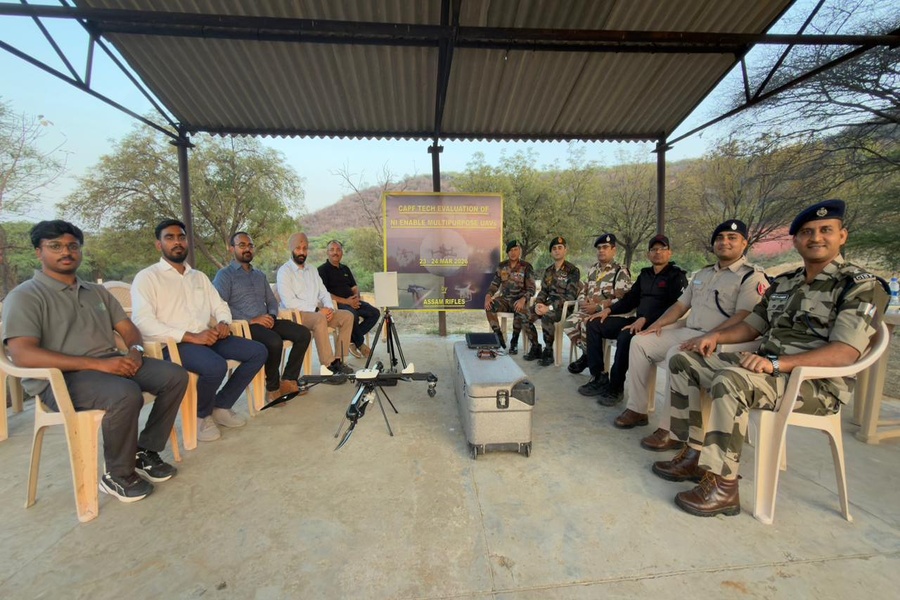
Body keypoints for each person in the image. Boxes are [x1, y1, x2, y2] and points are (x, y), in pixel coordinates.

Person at [652, 200, 879, 517]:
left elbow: (845, 353)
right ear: (796, 241)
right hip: (765, 370)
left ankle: (723, 485)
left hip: (814, 385)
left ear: (843, 236)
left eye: (826, 230)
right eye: (806, 232)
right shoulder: (785, 283)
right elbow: (751, 326)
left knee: (730, 381)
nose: (816, 238)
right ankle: (695, 452)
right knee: (683, 362)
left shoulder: (859, 286)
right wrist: (715, 337)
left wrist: (776, 364)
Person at [2, 220, 188, 502]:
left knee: (175, 376)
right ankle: (117, 474)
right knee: (125, 394)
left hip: (111, 364)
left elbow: (127, 329)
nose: (66, 252)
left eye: (72, 246)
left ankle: (144, 450)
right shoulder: (26, 296)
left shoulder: (96, 292)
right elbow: (23, 354)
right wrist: (99, 365)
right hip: (61, 378)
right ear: (39, 252)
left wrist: (135, 351)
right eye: (55, 246)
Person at [612, 220, 769, 439]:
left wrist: (709, 336)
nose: (725, 242)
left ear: (744, 243)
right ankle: (638, 409)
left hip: (722, 340)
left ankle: (670, 428)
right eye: (720, 238)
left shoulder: (751, 277)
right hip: (690, 331)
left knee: (677, 354)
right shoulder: (702, 274)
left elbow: (745, 317)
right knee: (640, 342)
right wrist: (656, 325)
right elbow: (680, 306)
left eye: (732, 238)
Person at [132, 219, 267, 443]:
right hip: (174, 344)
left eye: (181, 238)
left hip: (207, 337)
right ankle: (201, 416)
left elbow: (220, 305)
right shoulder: (147, 278)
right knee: (215, 366)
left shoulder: (198, 277)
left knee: (258, 351)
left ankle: (221, 405)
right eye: (170, 237)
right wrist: (191, 337)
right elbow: (143, 322)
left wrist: (223, 323)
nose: (177, 242)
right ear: (159, 245)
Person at [578, 235, 687, 403]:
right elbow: (630, 300)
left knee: (625, 336)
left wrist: (646, 319)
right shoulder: (645, 274)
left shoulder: (676, 276)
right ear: (648, 255)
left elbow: (674, 307)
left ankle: (616, 387)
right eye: (653, 249)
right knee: (594, 323)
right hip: (637, 321)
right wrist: (607, 310)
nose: (657, 252)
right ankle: (598, 377)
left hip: (659, 326)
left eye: (662, 249)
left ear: (669, 253)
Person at [213, 232, 313, 402]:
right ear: (232, 249)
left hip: (267, 321)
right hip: (245, 326)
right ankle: (272, 388)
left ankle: (288, 379)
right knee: (273, 341)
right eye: (242, 245)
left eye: (250, 246)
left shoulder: (259, 275)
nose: (247, 249)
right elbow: (219, 306)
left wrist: (272, 316)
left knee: (303, 333)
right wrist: (252, 320)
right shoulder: (225, 276)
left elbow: (272, 301)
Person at [276, 232, 355, 376]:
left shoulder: (312, 270)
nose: (302, 252)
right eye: (298, 248)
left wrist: (329, 308)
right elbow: (289, 302)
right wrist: (317, 310)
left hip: (318, 313)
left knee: (347, 316)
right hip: (296, 315)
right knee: (319, 318)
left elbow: (324, 293)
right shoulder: (284, 272)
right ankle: (328, 365)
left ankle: (339, 360)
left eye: (305, 248)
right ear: (291, 249)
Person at [565, 233, 631, 374]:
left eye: (605, 247)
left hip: (607, 314)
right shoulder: (593, 269)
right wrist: (582, 300)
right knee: (569, 323)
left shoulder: (620, 271)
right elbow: (585, 289)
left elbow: (623, 300)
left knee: (585, 324)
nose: (601, 250)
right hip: (588, 309)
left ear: (613, 250)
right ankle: (588, 354)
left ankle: (591, 362)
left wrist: (599, 307)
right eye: (599, 248)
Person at [317, 239, 380, 359]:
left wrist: (356, 298)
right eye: (332, 250)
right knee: (353, 315)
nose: (335, 252)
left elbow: (354, 287)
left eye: (338, 250)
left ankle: (351, 340)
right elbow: (325, 294)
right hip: (338, 304)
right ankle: (360, 344)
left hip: (352, 301)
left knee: (374, 313)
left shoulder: (345, 269)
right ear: (327, 253)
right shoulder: (322, 270)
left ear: (342, 252)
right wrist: (347, 302)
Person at [522, 236, 580, 366]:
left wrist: (549, 308)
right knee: (524, 314)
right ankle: (536, 347)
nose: (557, 251)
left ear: (565, 250)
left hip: (564, 308)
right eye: (554, 248)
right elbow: (543, 291)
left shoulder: (573, 270)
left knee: (547, 317)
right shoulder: (548, 271)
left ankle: (548, 351)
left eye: (560, 248)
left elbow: (570, 297)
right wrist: (538, 304)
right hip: (548, 304)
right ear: (551, 252)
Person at [484, 239, 535, 354]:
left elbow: (532, 289)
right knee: (489, 306)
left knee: (519, 308)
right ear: (507, 252)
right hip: (505, 299)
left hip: (520, 299)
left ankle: (514, 341)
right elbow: (495, 284)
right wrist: (488, 296)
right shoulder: (502, 266)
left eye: (516, 250)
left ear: (520, 251)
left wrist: (523, 299)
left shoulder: (526, 267)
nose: (513, 252)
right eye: (511, 250)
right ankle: (498, 336)